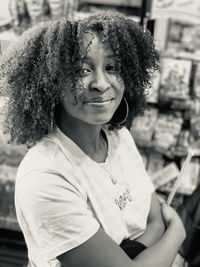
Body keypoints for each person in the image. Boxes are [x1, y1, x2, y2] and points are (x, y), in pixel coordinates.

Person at [0, 10, 185, 267]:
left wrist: (132, 250)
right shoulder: (45, 177)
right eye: (81, 70)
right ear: (51, 82)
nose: (100, 83)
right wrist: (177, 231)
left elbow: (152, 219)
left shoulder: (118, 137)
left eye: (112, 67)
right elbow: (160, 223)